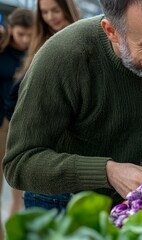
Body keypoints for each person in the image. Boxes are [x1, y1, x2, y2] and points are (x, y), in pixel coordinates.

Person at [3, 0, 142, 211]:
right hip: (60, 202)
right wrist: (108, 171)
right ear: (111, 32)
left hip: (128, 200)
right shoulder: (63, 58)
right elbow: (19, 164)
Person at [2, 0, 80, 215]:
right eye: (44, 12)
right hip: (41, 146)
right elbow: (18, 92)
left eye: (55, 10)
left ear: (67, 8)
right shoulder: (40, 42)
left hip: (68, 150)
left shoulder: (83, 41)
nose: (50, 16)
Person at [0, 7, 33, 238]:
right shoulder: (2, 48)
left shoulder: (33, 52)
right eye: (21, 34)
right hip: (1, 124)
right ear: (11, 29)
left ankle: (13, 232)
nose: (25, 40)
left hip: (22, 123)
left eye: (29, 35)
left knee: (19, 189)